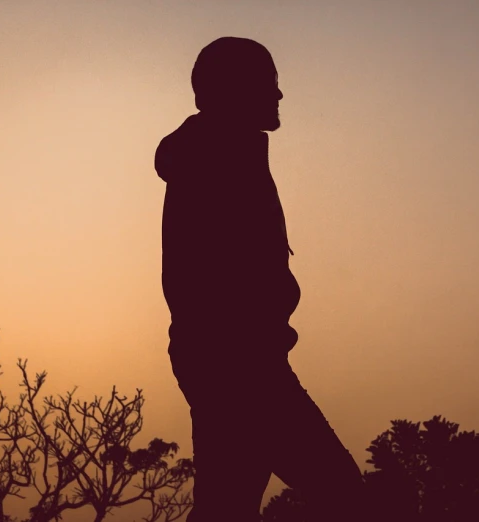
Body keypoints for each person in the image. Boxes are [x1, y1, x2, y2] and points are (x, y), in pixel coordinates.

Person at [154, 37, 368, 522]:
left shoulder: (226, 153)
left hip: (231, 360)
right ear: (238, 89)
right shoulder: (216, 156)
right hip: (240, 365)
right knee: (341, 492)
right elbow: (211, 277)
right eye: (269, 83)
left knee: (225, 508)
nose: (280, 95)